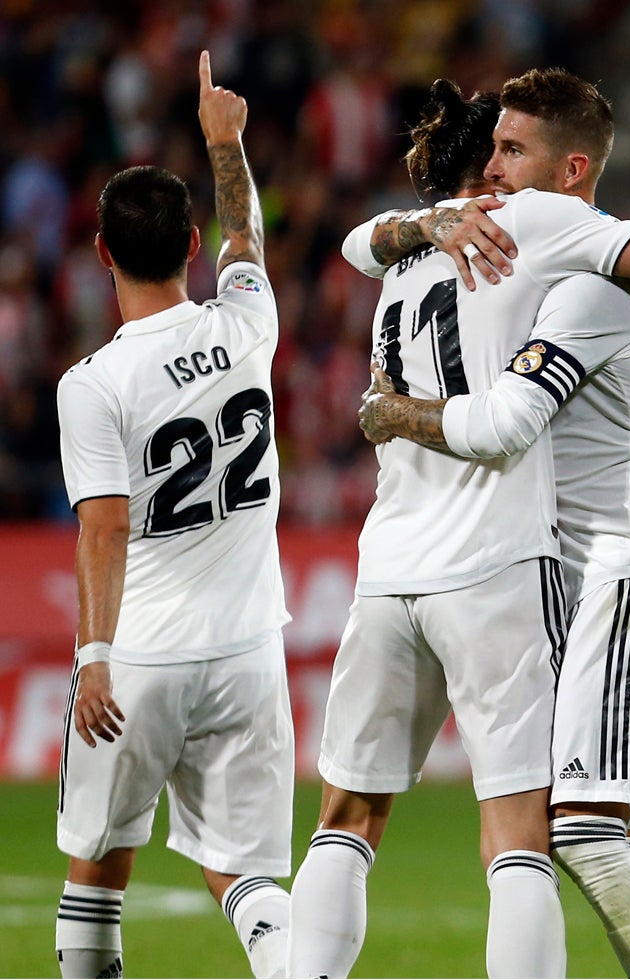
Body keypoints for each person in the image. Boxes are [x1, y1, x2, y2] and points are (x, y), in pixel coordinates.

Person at [288, 72, 630, 980]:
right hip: (496, 564)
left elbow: (356, 241)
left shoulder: (401, 253)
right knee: (523, 839)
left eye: (511, 152)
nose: (499, 168)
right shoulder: (534, 223)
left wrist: (389, 403)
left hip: (390, 563)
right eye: (495, 152)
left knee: (346, 817)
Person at [53, 52, 292, 979]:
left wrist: (92, 656)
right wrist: (226, 143)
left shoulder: (94, 383)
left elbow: (104, 527)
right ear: (192, 246)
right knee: (247, 875)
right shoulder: (247, 324)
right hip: (248, 650)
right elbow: (249, 238)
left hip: (143, 657)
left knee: (99, 864)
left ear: (102, 253)